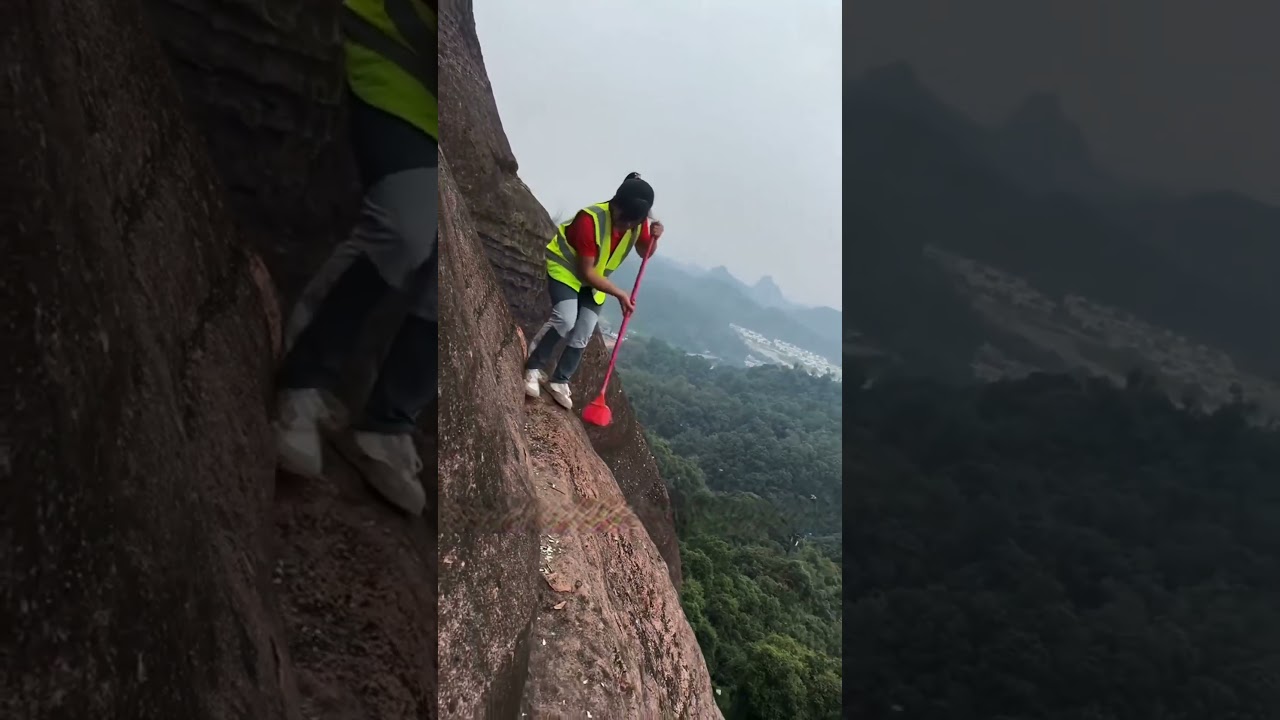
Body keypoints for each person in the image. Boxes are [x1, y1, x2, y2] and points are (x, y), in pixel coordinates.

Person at [273, 0, 436, 516]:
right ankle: (303, 377)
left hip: (440, 98)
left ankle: (388, 425)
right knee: (406, 226)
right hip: (397, 61)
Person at [524, 172, 664, 409]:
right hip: (567, 270)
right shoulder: (590, 220)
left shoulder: (636, 222)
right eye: (624, 219)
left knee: (584, 329)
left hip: (595, 279)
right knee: (565, 319)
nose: (627, 225)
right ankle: (533, 367)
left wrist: (654, 239)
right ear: (615, 205)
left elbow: (645, 253)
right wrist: (620, 293)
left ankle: (560, 380)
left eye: (634, 222)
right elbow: (586, 272)